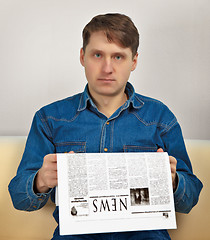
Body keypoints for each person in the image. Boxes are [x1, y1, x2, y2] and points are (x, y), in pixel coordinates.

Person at [9, 13, 203, 240]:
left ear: (134, 61)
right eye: (98, 54)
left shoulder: (160, 117)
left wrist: (173, 180)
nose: (107, 68)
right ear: (83, 57)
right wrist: (40, 180)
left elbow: (190, 200)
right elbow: (19, 199)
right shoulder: (49, 118)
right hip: (75, 235)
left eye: (118, 57)